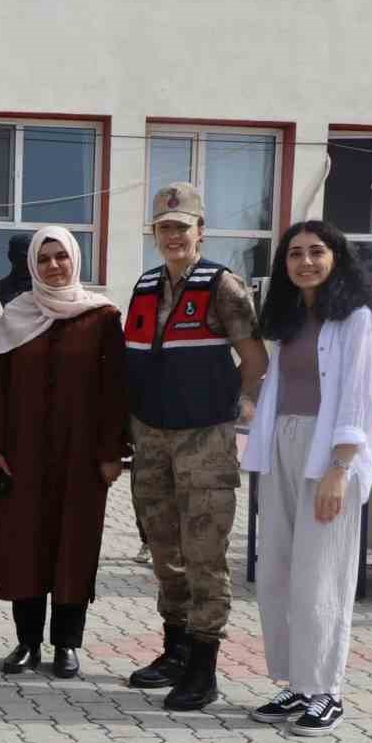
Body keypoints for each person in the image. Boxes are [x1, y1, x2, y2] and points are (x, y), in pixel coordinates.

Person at [123, 183, 268, 710]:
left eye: (182, 227)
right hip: (151, 439)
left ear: (200, 231)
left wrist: (235, 410)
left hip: (204, 439)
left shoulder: (223, 287)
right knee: (165, 552)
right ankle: (175, 650)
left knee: (205, 556)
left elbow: (254, 361)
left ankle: (204, 669)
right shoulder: (143, 286)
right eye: (164, 227)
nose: (173, 236)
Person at [241, 221, 372, 736]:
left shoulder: (357, 318)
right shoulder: (288, 320)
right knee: (279, 569)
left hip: (329, 455)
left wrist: (340, 468)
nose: (306, 261)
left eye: (317, 252)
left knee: (322, 574)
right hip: (282, 445)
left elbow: (361, 398)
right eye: (295, 253)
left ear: (336, 257)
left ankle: (328, 690)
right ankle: (296, 682)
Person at [0, 227, 128, 680]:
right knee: (24, 543)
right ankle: (27, 642)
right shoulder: (16, 316)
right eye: (45, 259)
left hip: (81, 455)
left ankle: (67, 644)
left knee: (74, 544)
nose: (54, 266)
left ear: (75, 260)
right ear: (32, 267)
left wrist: (111, 452)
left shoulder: (100, 317)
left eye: (62, 257)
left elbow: (114, 390)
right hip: (23, 453)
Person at [0, 232, 33, 308]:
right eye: (24, 256)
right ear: (11, 256)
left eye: (33, 256)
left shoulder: (45, 289)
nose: (29, 260)